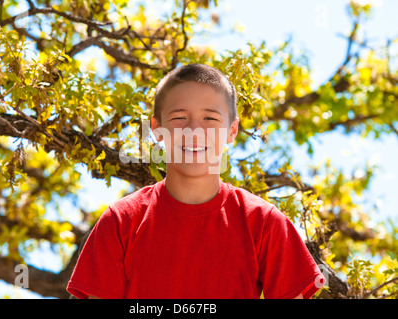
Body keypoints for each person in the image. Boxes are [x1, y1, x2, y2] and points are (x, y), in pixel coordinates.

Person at [66, 63, 325, 299]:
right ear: (157, 129)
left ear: (231, 130)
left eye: (210, 118)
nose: (194, 131)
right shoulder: (120, 221)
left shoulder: (263, 222)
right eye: (179, 118)